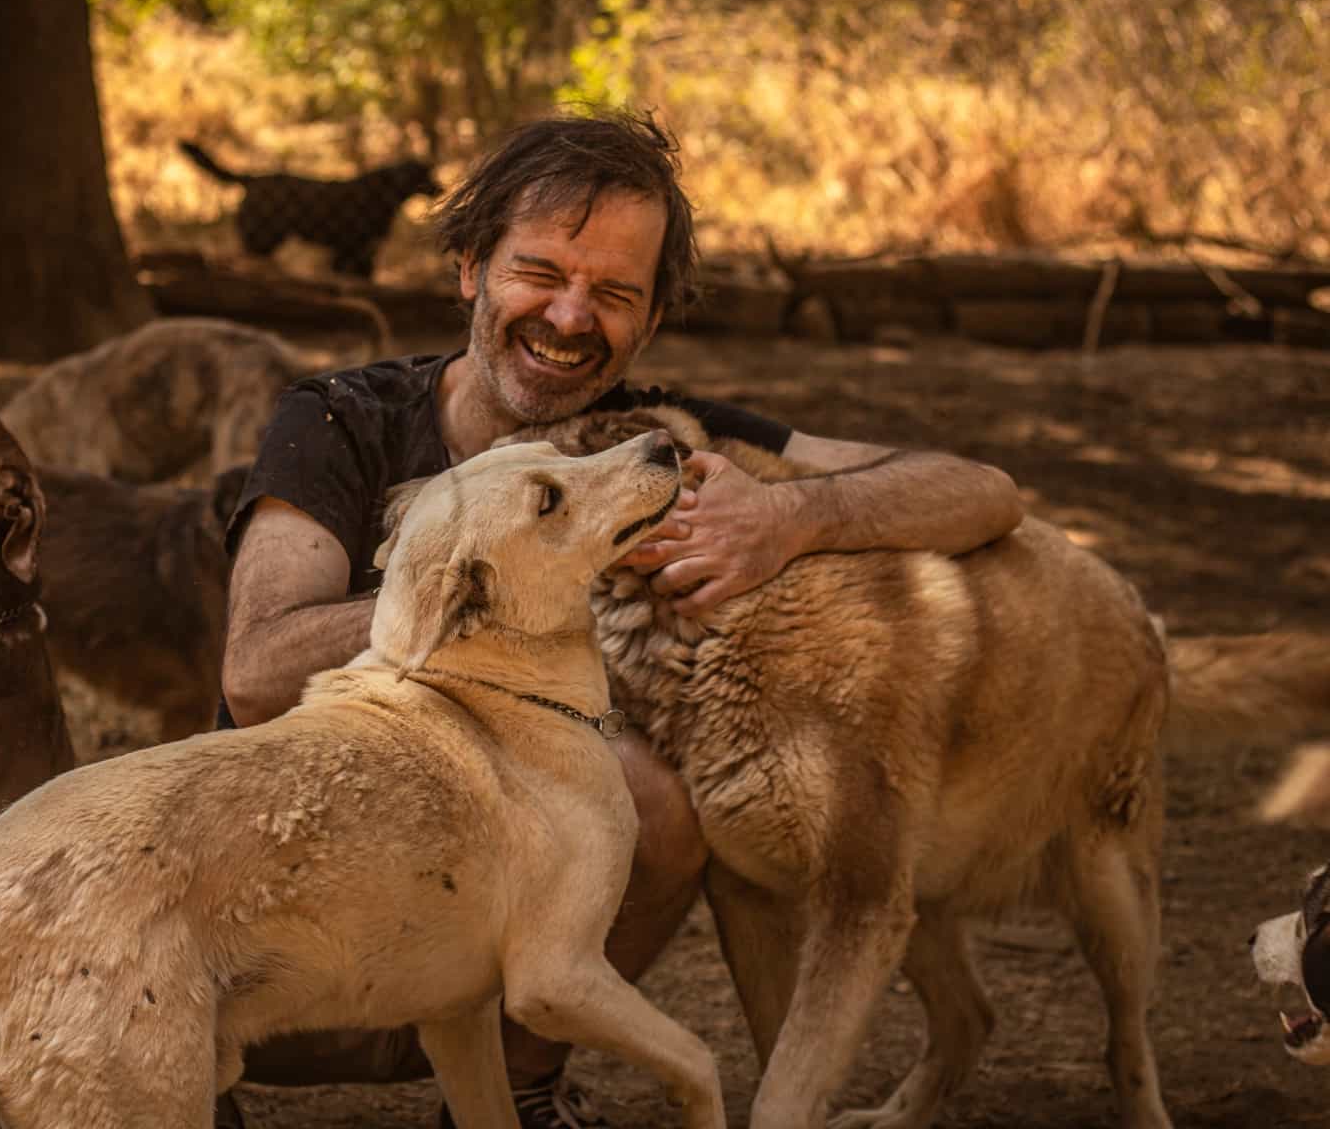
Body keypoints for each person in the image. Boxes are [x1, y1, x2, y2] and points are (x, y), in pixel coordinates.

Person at [215, 110, 1023, 1128]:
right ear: (470, 268)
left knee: (662, 800)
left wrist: (791, 514)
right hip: (284, 959)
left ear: (649, 320)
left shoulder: (649, 443)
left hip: (496, 952)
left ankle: (521, 1084)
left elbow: (983, 490)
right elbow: (254, 672)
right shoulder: (341, 420)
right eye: (540, 273)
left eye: (614, 294)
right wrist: (468, 581)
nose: (568, 317)